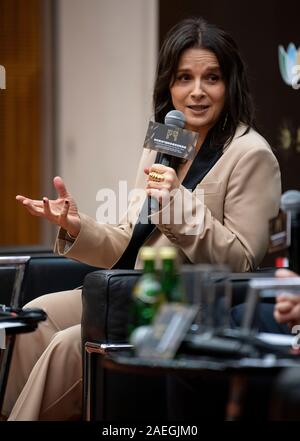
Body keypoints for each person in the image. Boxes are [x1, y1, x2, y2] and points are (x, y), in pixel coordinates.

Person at [2, 17, 281, 420]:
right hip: (134, 291)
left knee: (69, 343)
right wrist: (78, 226)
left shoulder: (251, 153)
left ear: (230, 84)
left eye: (212, 78)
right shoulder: (165, 141)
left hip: (183, 308)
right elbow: (129, 241)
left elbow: (241, 261)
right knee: (38, 316)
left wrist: (176, 202)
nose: (197, 92)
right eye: (184, 78)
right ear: (169, 84)